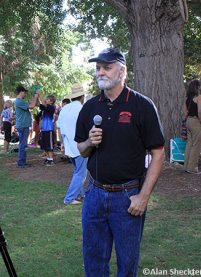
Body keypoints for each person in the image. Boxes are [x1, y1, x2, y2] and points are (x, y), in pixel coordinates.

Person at [75, 48, 165, 277]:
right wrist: (89, 142)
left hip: (127, 198)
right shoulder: (90, 107)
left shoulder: (142, 106)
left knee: (127, 265)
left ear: (122, 71)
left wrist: (143, 197)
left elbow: (158, 152)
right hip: (94, 195)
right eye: (98, 68)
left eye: (106, 67)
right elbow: (81, 150)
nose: (101, 72)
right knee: (93, 263)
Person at [57, 85, 87, 204]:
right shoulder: (82, 109)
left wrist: (62, 142)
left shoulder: (64, 108)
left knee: (77, 171)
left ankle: (80, 194)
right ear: (82, 97)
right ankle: (69, 198)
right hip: (80, 145)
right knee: (81, 173)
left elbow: (59, 126)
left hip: (69, 144)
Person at [14, 85, 39, 168]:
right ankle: (21, 162)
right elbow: (31, 106)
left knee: (23, 144)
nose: (25, 94)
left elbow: (34, 104)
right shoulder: (19, 101)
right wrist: (35, 97)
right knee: (23, 144)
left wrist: (35, 97)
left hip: (23, 124)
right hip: (23, 125)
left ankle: (22, 161)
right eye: (24, 92)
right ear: (21, 92)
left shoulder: (21, 101)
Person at [183, 79, 201, 174]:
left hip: (188, 121)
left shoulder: (187, 98)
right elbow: (200, 111)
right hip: (196, 122)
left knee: (189, 144)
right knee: (196, 145)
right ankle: (192, 168)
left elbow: (184, 112)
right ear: (197, 87)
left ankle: (186, 166)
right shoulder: (199, 97)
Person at [38, 94, 56, 166]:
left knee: (49, 145)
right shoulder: (45, 107)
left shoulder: (52, 107)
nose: (45, 100)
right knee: (45, 145)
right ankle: (48, 158)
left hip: (49, 129)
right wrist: (36, 97)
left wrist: (40, 94)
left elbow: (44, 103)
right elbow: (38, 104)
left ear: (51, 101)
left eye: (47, 99)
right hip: (44, 129)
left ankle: (51, 160)